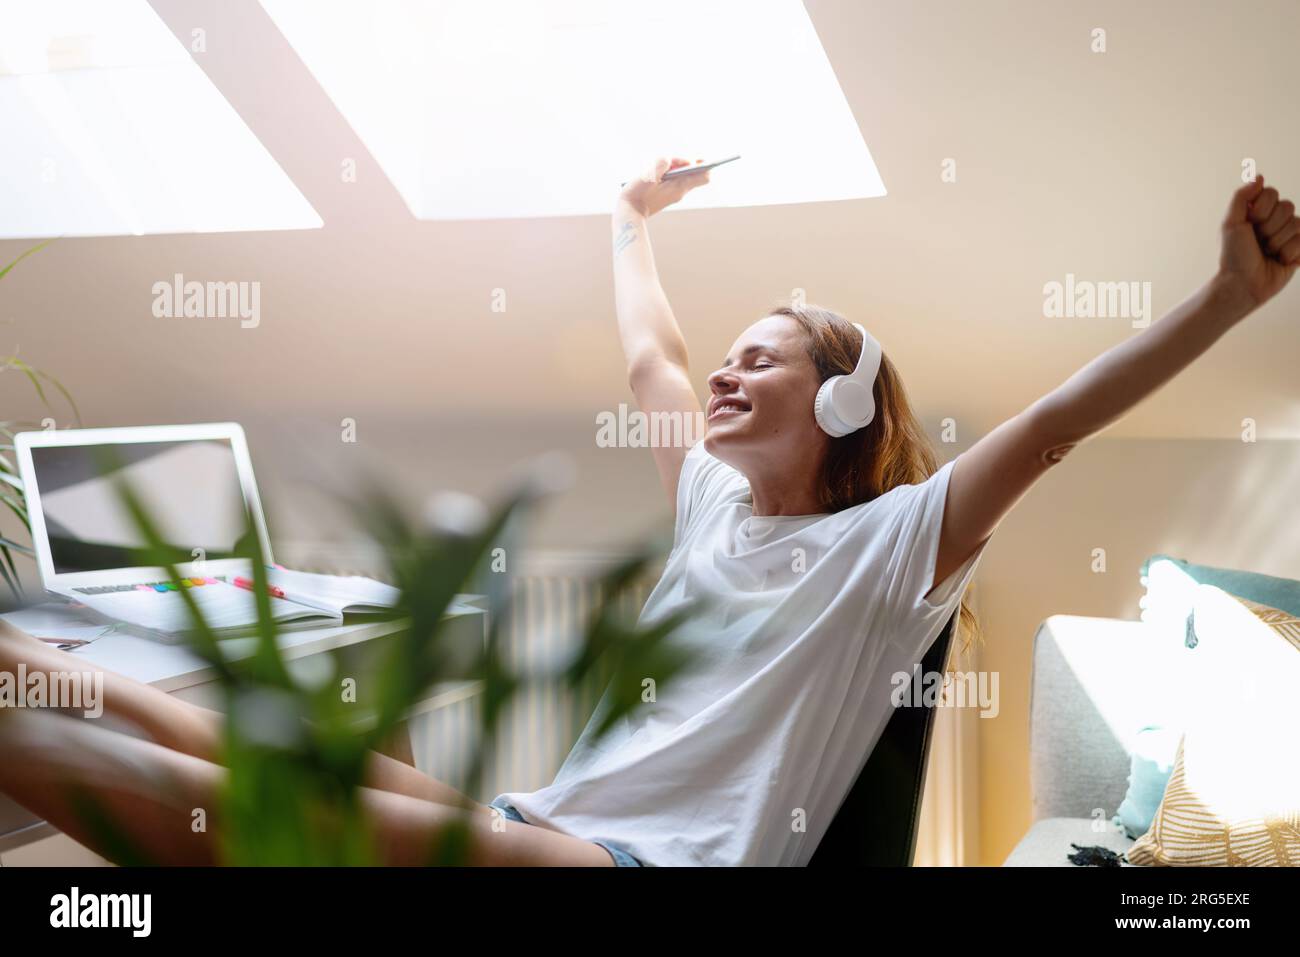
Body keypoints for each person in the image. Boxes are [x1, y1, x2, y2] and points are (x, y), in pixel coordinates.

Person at [1, 160, 1296, 867]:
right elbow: (651, 361)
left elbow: (1059, 422)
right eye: (730, 357)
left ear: (845, 400)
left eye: (765, 359)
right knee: (237, 731)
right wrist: (627, 220)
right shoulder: (716, 510)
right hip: (545, 824)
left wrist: (1230, 295)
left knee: (257, 818)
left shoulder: (897, 550)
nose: (726, 374)